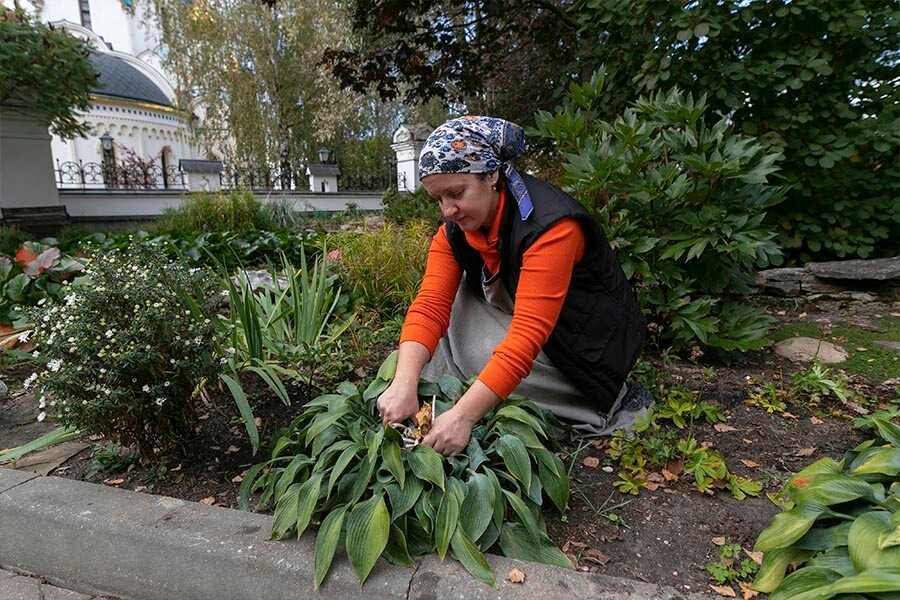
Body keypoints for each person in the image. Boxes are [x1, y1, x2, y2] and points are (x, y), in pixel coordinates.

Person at [377, 116, 648, 455]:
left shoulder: (551, 228)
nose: (448, 211)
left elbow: (528, 334)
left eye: (456, 193)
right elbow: (430, 305)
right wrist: (403, 383)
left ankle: (491, 393)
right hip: (531, 327)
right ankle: (473, 384)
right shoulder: (455, 232)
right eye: (438, 199)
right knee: (441, 324)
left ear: (491, 175)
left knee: (472, 350)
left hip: (583, 352)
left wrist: (462, 416)